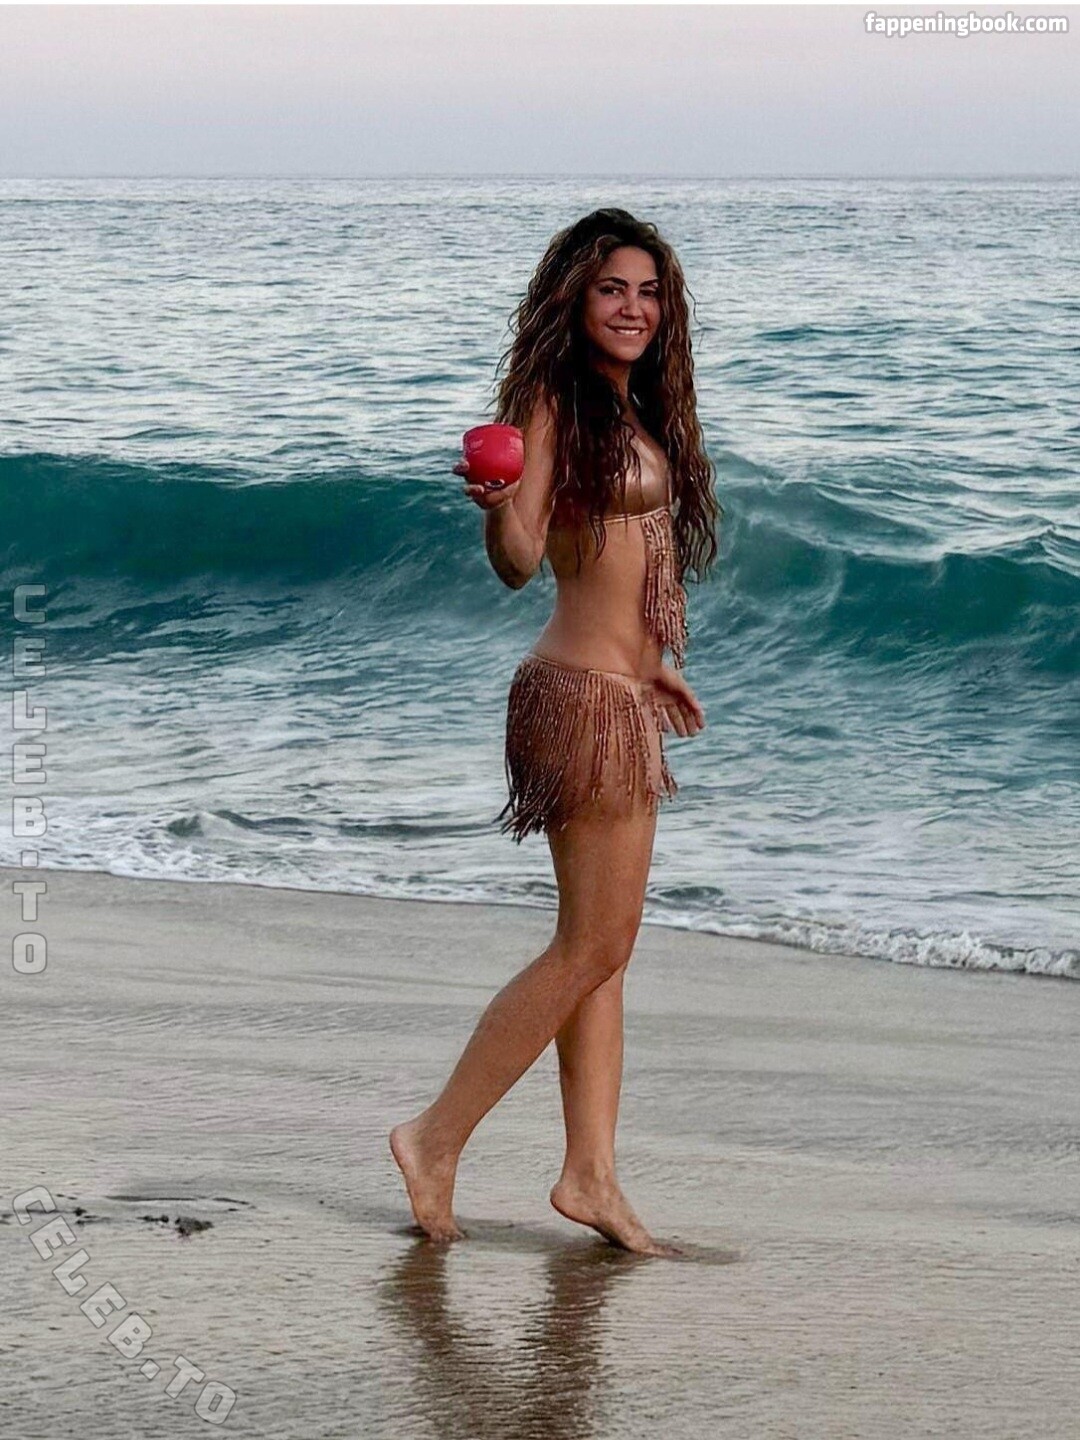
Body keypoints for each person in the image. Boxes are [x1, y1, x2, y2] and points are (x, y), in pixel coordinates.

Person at [390, 208, 721, 1256]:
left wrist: (654, 661)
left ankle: (591, 1175)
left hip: (621, 694)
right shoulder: (550, 400)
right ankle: (435, 1136)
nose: (633, 308)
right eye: (613, 288)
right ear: (575, 300)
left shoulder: (632, 406)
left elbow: (620, 559)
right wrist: (498, 503)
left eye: (649, 292)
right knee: (591, 947)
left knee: (603, 955)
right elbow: (523, 558)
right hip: (578, 700)